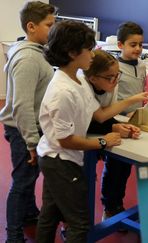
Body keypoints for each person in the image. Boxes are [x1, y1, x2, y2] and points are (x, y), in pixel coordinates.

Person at [35, 21, 148, 242]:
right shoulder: (63, 91)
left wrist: (117, 124)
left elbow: (99, 115)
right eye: (88, 49)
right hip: (61, 161)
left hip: (56, 157)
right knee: (80, 223)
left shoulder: (76, 81)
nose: (92, 54)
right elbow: (66, 140)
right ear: (72, 52)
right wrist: (103, 143)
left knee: (50, 215)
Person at [0, 1, 56, 242]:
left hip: (26, 128)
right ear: (31, 26)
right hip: (23, 130)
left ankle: (28, 214)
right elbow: (22, 105)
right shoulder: (28, 59)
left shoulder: (33, 51)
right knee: (22, 182)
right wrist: (32, 142)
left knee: (29, 177)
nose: (53, 30)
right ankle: (13, 235)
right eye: (49, 25)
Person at [83, 49, 148, 220]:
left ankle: (113, 206)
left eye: (117, 74)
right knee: (81, 182)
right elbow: (97, 116)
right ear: (92, 78)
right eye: (110, 77)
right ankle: (71, 222)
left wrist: (119, 127)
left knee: (120, 163)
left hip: (94, 128)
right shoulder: (82, 86)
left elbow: (107, 114)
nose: (115, 80)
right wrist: (131, 101)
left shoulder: (112, 81)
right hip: (76, 134)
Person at [116, 21, 148, 116]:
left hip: (137, 116)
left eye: (140, 45)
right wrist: (124, 114)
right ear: (120, 45)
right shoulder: (114, 68)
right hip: (119, 118)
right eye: (133, 45)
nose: (138, 49)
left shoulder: (142, 66)